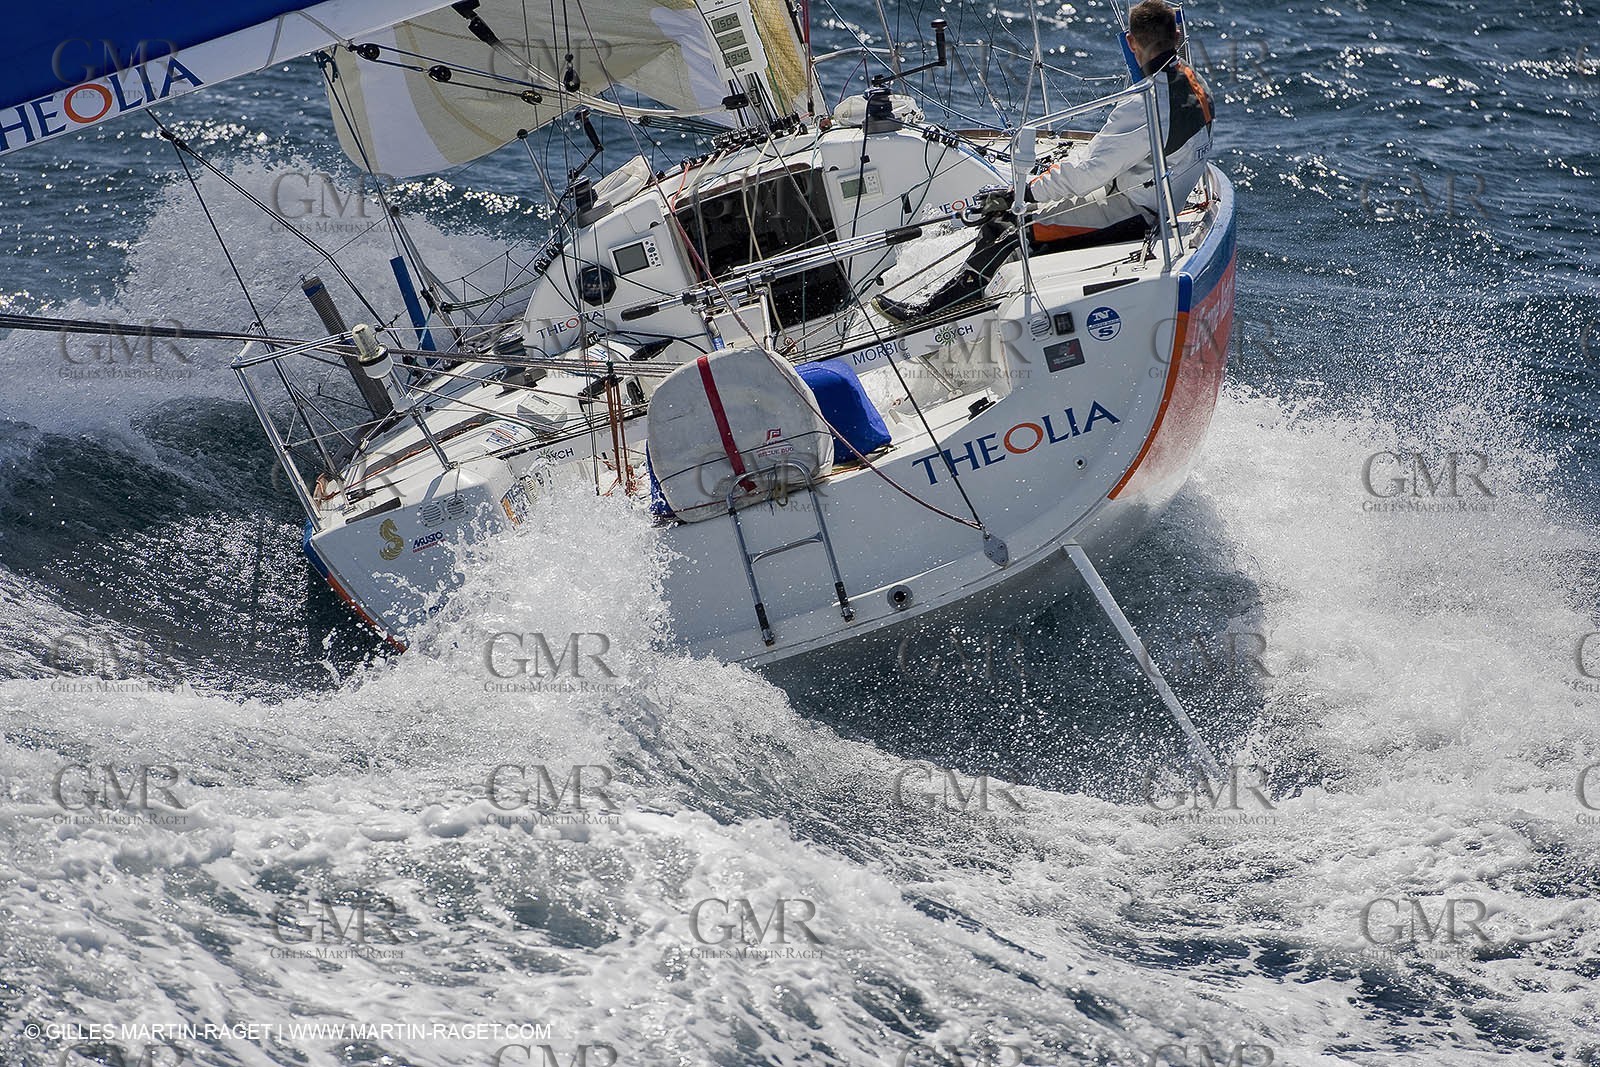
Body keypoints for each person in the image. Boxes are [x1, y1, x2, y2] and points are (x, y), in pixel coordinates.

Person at [876, 0, 1215, 324]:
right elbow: (1113, 162)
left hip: (1136, 212)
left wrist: (1022, 192)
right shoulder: (1196, 84)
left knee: (1013, 229)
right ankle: (970, 301)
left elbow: (1088, 174)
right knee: (1003, 217)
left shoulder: (1145, 100)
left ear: (1130, 41)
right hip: (1146, 198)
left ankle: (936, 314)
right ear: (1178, 36)